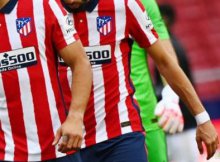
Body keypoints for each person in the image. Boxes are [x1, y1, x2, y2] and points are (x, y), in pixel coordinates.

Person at [60, 0, 219, 162]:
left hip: (130, 124)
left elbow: (165, 58)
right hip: (66, 135)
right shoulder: (47, 8)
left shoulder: (133, 4)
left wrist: (173, 98)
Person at [0, 0, 92, 161]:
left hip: (57, 148)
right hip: (6, 153)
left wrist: (75, 116)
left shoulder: (43, 5)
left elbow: (80, 62)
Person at [131, 0, 183, 162]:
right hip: (88, 122)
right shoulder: (68, 5)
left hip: (145, 116)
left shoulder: (143, 3)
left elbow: (166, 57)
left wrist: (171, 96)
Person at [155, 3, 199, 162]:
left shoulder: (170, 49)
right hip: (179, 124)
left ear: (164, 20)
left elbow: (177, 84)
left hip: (181, 125)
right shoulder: (173, 45)